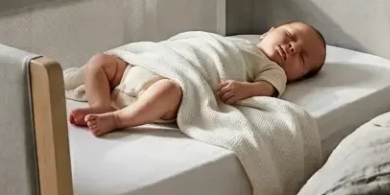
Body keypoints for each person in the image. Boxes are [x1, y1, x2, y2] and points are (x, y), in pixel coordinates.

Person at [69, 22, 327, 136]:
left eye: (302, 57)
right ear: (268, 32)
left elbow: (268, 88)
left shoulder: (272, 68)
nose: (292, 47)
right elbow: (195, 45)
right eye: (290, 35)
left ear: (297, 77)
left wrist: (245, 89)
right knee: (100, 62)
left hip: (176, 80)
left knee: (169, 91)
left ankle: (118, 119)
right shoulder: (234, 41)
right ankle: (100, 104)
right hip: (151, 64)